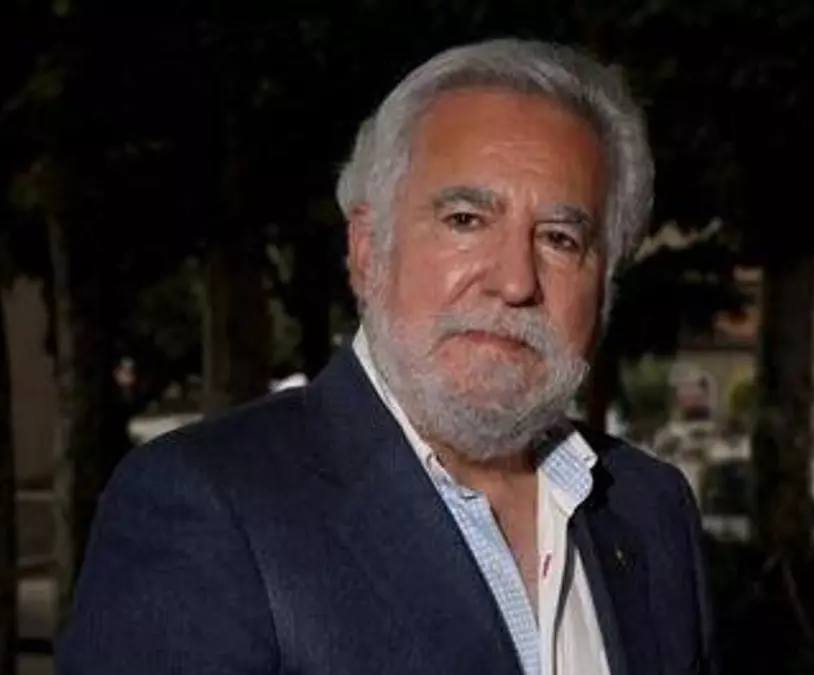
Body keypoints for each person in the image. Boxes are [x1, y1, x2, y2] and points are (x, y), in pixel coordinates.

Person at [57, 38, 713, 675]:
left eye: (561, 238)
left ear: (605, 287)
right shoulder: (206, 510)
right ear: (369, 250)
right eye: (465, 220)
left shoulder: (650, 512)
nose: (515, 281)